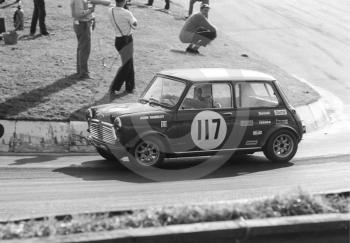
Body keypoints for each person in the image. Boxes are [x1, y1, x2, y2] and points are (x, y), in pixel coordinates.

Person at [109, 0, 137, 96]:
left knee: (129, 63)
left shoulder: (111, 10)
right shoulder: (127, 13)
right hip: (127, 40)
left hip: (118, 40)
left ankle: (130, 87)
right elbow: (135, 25)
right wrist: (131, 17)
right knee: (127, 65)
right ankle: (114, 86)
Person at [70, 0, 96, 79]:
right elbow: (79, 13)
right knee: (84, 49)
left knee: (82, 48)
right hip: (83, 25)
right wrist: (91, 10)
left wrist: (92, 17)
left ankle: (81, 70)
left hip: (83, 24)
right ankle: (83, 73)